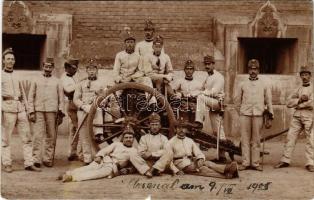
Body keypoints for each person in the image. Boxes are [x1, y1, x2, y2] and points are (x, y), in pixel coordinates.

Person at [148, 119, 239, 179]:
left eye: (184, 128)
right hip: (180, 164)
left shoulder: (190, 140)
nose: (182, 130)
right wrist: (176, 170)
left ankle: (227, 171)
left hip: (191, 160)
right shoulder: (171, 142)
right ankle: (226, 173)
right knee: (202, 169)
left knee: (207, 163)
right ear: (175, 129)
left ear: (187, 130)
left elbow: (198, 153)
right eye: (179, 128)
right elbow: (168, 159)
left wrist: (200, 158)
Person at [59, 125, 153, 182]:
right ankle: (68, 173)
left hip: (112, 166)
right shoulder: (116, 144)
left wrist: (127, 170)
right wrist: (100, 156)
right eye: (126, 137)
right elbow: (105, 150)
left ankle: (72, 178)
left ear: (133, 139)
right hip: (105, 159)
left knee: (96, 174)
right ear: (123, 138)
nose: (128, 139)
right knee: (89, 167)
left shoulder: (134, 151)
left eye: (130, 138)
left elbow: (135, 164)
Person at [1, 47, 40, 172]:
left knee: (27, 137)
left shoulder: (18, 75)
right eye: (8, 59)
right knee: (6, 139)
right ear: (3, 61)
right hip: (7, 109)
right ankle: (7, 163)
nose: (10, 61)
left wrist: (28, 110)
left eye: (12, 59)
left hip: (20, 109)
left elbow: (23, 93)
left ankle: (29, 163)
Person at [233, 59, 274, 171]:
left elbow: (268, 101)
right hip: (245, 115)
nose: (253, 71)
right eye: (251, 69)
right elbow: (236, 101)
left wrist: (270, 116)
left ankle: (255, 163)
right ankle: (245, 163)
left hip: (258, 115)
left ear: (258, 70)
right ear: (248, 70)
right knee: (245, 140)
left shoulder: (264, 84)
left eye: (255, 69)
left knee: (256, 140)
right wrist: (241, 112)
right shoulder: (242, 84)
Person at [275, 66, 314, 172]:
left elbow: (312, 104)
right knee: (290, 138)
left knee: (311, 140)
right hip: (297, 116)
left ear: (310, 76)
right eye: (302, 75)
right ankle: (285, 160)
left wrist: (298, 104)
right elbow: (288, 102)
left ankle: (311, 162)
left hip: (309, 117)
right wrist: (300, 99)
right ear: (300, 76)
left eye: (306, 74)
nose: (304, 77)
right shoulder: (298, 89)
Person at [28, 57, 65, 167]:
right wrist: (31, 111)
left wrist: (61, 112)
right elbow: (31, 96)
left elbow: (61, 98)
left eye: (50, 66)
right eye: (46, 66)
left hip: (51, 111)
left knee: (51, 135)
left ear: (53, 68)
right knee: (37, 135)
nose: (47, 68)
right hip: (38, 110)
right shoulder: (35, 80)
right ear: (43, 66)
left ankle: (48, 159)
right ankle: (36, 159)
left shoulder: (57, 81)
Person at [194, 55, 227, 162]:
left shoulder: (219, 77)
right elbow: (201, 88)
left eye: (209, 64)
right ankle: (222, 156)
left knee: (201, 97)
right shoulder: (208, 77)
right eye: (206, 64)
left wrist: (201, 93)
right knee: (217, 130)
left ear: (213, 64)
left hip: (217, 103)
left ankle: (199, 121)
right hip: (211, 103)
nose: (207, 66)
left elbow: (214, 92)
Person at [73, 62, 106, 165]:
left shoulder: (102, 83)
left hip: (96, 110)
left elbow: (105, 97)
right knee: (84, 136)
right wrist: (83, 106)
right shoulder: (81, 84)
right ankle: (87, 159)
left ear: (97, 71)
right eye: (89, 69)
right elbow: (76, 99)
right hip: (83, 111)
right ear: (86, 71)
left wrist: (99, 102)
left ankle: (99, 133)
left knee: (93, 135)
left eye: (94, 69)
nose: (92, 71)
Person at [60, 58, 83, 161]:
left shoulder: (76, 76)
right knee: (75, 128)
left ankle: (75, 152)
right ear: (67, 68)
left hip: (78, 103)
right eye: (73, 68)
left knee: (77, 128)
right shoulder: (64, 77)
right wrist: (80, 84)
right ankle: (72, 152)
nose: (75, 70)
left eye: (76, 68)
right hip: (70, 104)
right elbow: (68, 89)